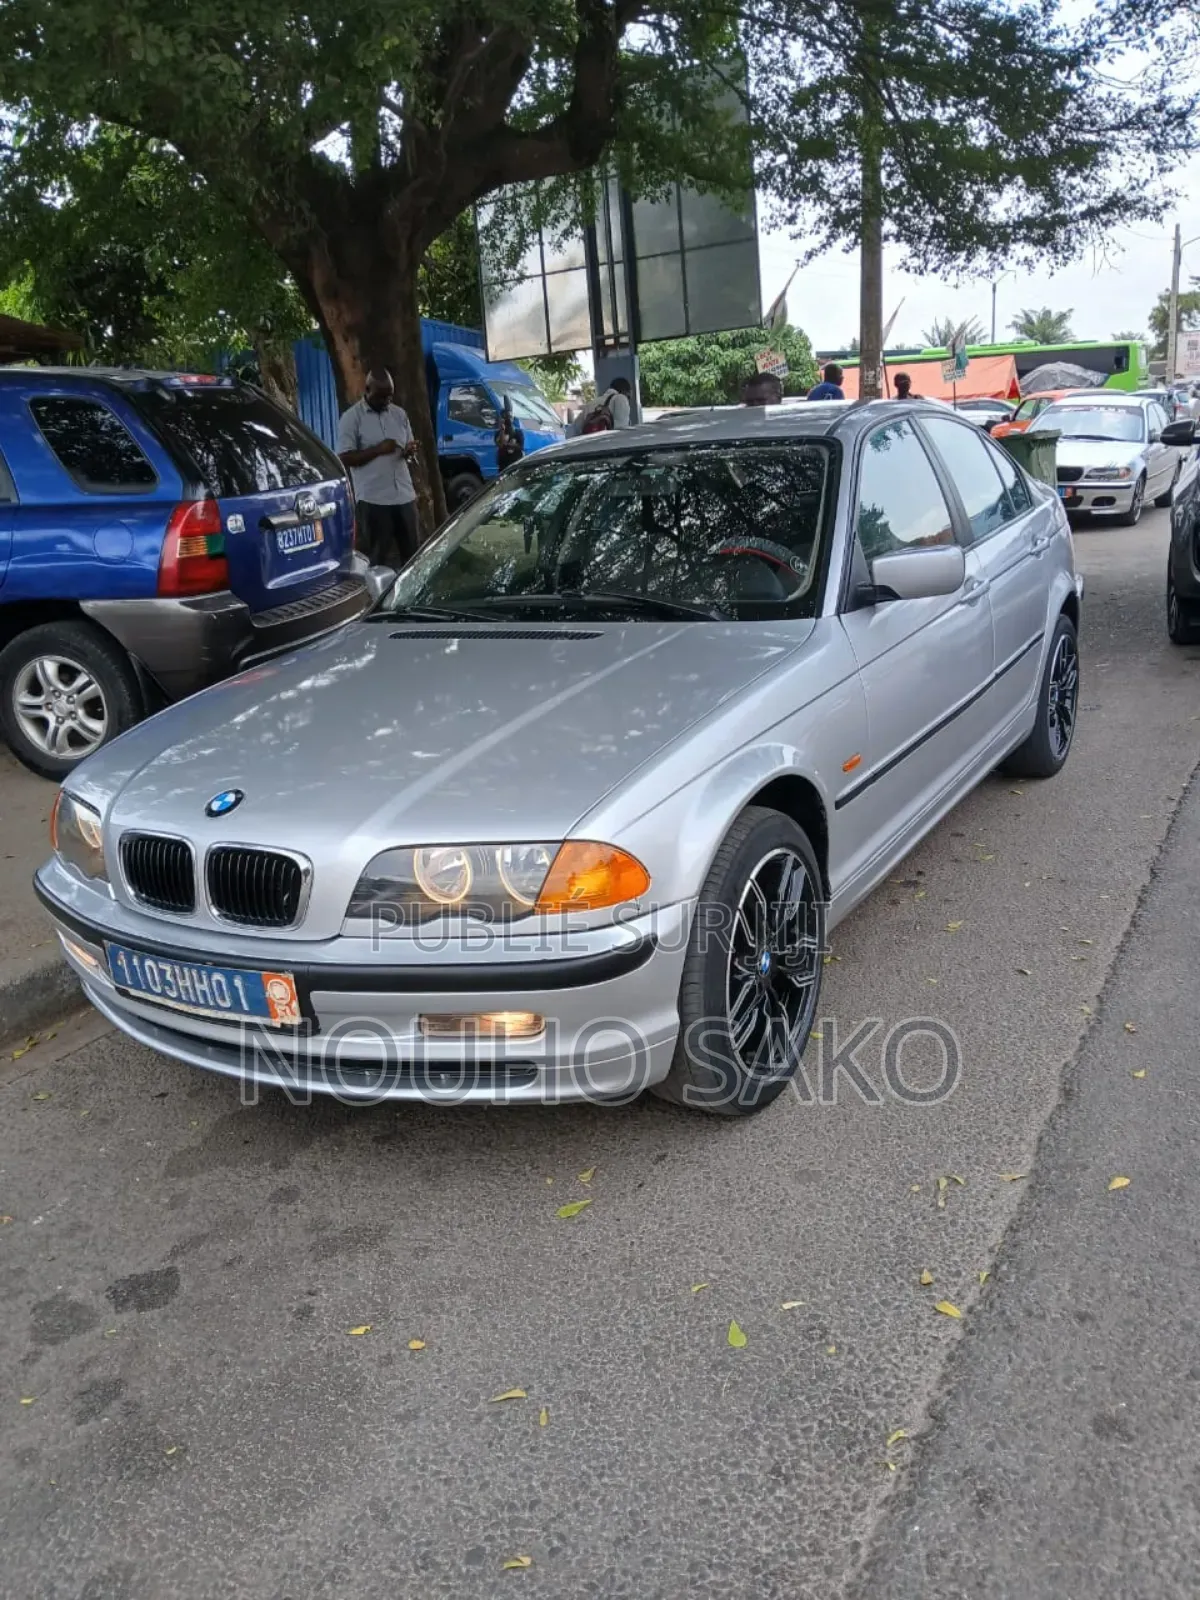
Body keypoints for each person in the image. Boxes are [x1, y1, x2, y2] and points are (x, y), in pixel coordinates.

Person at [337, 369, 421, 568]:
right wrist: (378, 450)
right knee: (378, 559)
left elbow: (406, 450)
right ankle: (378, 597)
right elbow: (344, 457)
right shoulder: (352, 418)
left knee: (413, 558)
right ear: (367, 390)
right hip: (374, 500)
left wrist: (409, 451)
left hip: (404, 496)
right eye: (381, 396)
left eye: (390, 395)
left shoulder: (399, 415)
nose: (387, 400)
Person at [494, 397, 525, 471]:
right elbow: (500, 444)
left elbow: (521, 446)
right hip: (503, 467)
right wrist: (502, 430)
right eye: (507, 417)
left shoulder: (518, 432)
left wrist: (508, 444)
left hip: (516, 465)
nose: (509, 419)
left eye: (510, 417)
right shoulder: (498, 433)